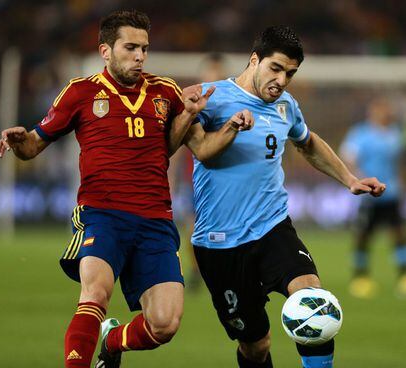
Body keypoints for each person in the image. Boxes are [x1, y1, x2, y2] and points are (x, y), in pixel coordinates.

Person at [0, 9, 216, 368]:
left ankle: (112, 343)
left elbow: (171, 146)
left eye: (144, 48)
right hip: (101, 213)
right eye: (130, 47)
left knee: (165, 324)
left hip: (155, 220)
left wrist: (189, 115)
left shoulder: (166, 91)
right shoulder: (80, 92)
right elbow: (33, 145)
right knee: (95, 294)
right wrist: (20, 140)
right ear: (105, 51)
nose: (140, 56)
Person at [182, 26, 386, 368]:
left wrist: (349, 179)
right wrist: (218, 123)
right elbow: (197, 149)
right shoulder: (209, 97)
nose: (282, 79)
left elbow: (307, 142)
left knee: (313, 301)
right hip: (220, 244)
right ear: (254, 60)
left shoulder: (286, 106)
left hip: (272, 228)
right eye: (275, 68)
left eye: (290, 73)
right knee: (256, 346)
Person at [169, 52, 229, 291]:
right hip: (193, 178)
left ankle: (223, 271)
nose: (214, 77)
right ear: (203, 74)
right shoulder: (189, 103)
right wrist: (171, 178)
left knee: (225, 229)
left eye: (218, 73)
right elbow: (175, 144)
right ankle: (196, 271)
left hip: (223, 179)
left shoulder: (231, 104)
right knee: (194, 228)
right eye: (210, 72)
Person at [340, 98, 406, 299]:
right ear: (372, 112)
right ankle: (361, 277)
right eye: (378, 110)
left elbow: (400, 162)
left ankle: (403, 277)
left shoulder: (395, 134)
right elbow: (348, 159)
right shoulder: (360, 134)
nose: (383, 113)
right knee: (363, 235)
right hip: (369, 195)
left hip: (391, 192)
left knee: (399, 234)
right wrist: (358, 179)